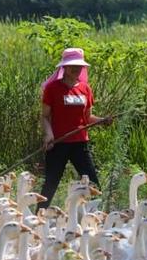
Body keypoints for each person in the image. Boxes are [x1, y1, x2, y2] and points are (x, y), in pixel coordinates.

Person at [37, 48, 111, 210]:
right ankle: (38, 217)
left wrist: (102, 121)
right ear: (64, 67)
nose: (76, 69)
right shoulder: (53, 88)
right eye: (72, 66)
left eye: (79, 66)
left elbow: (87, 118)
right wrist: (48, 134)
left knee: (92, 182)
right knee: (51, 182)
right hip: (58, 143)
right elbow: (45, 116)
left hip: (80, 144)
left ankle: (96, 215)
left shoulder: (85, 88)